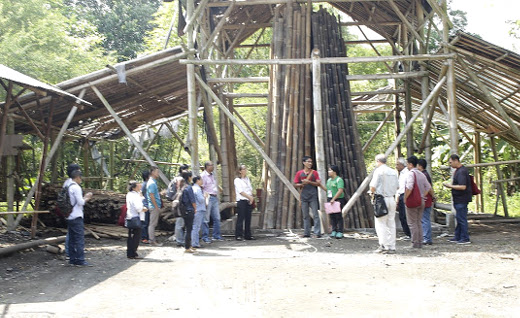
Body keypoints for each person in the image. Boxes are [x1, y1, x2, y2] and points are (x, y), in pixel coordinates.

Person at [369, 154, 399, 254]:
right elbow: (397, 186)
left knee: (380, 223)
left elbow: (372, 186)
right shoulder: (393, 172)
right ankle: (392, 245)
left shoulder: (379, 171)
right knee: (391, 222)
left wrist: (372, 193)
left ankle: (383, 245)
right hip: (392, 198)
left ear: (378, 161)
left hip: (381, 199)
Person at [404, 156, 433, 249]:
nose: (407, 166)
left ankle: (415, 242)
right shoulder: (421, 174)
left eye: (407, 164)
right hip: (421, 200)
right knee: (419, 222)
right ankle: (420, 241)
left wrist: (405, 197)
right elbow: (428, 187)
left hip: (413, 200)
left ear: (410, 164)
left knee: (412, 222)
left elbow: (409, 187)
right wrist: (423, 195)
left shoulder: (410, 174)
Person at [443, 154, 472, 245]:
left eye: (451, 162)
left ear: (456, 160)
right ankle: (458, 236)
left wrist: (450, 186)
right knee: (459, 218)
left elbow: (463, 186)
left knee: (462, 218)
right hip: (458, 199)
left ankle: (465, 238)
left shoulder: (462, 172)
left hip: (462, 199)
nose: (450, 164)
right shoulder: (458, 171)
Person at [294, 156, 326, 238]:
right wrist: (301, 184)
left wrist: (309, 181)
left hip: (313, 196)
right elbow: (295, 184)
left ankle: (317, 233)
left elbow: (318, 183)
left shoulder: (314, 173)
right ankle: (306, 233)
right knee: (305, 215)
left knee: (315, 214)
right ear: (304, 162)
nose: (310, 163)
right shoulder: (299, 173)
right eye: (308, 161)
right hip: (304, 196)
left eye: (311, 162)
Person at [67, 170, 93, 266]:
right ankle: (80, 260)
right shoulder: (76, 187)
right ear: (78, 177)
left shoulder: (68, 186)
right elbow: (80, 202)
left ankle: (72, 259)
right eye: (80, 178)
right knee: (79, 239)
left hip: (69, 215)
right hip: (76, 215)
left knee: (72, 239)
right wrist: (87, 197)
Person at [201, 161, 223, 243]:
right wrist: (204, 198)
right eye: (211, 165)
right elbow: (201, 187)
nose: (213, 166)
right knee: (206, 218)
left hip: (214, 197)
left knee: (217, 218)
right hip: (208, 197)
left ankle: (216, 235)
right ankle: (205, 236)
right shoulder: (203, 175)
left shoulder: (212, 175)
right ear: (207, 166)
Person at [126, 180, 147, 259]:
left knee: (131, 236)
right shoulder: (134, 196)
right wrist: (144, 209)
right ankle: (132, 252)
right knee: (136, 236)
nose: (140, 186)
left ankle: (131, 252)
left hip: (130, 216)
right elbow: (138, 207)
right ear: (134, 187)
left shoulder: (130, 194)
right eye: (138, 185)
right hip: (136, 217)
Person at [63, 163, 81, 258]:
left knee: (71, 232)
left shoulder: (66, 182)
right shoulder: (72, 184)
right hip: (73, 213)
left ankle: (70, 252)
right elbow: (80, 201)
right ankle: (70, 253)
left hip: (68, 211)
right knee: (72, 234)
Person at [234, 165, 255, 241]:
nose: (245, 170)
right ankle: (238, 235)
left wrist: (251, 197)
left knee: (248, 218)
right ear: (240, 171)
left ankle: (247, 234)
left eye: (246, 169)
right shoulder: (237, 180)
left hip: (248, 200)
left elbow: (250, 189)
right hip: (241, 200)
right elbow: (241, 191)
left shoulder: (247, 179)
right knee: (241, 218)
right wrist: (249, 197)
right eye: (243, 169)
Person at [171, 164, 189, 247]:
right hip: (180, 205)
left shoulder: (182, 181)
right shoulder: (180, 180)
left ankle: (181, 240)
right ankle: (179, 240)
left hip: (179, 204)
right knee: (179, 223)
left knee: (181, 223)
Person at [418, 159, 435, 245]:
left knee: (425, 219)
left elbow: (428, 188)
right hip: (427, 199)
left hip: (426, 200)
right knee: (424, 218)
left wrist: (423, 196)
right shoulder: (425, 174)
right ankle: (425, 237)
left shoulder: (424, 175)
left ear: (420, 166)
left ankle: (427, 238)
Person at [326, 165, 345, 239]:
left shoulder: (339, 180)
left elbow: (340, 190)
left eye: (330, 170)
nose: (328, 172)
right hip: (330, 199)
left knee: (338, 216)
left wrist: (334, 199)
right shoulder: (329, 180)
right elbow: (328, 190)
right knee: (332, 216)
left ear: (334, 172)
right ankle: (334, 230)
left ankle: (340, 231)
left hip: (338, 200)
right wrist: (320, 185)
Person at [181, 171, 197, 253]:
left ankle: (188, 245)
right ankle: (187, 247)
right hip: (189, 209)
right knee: (189, 229)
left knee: (188, 228)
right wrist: (195, 208)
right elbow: (192, 200)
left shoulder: (183, 186)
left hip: (184, 210)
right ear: (189, 177)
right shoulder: (189, 187)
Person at [395, 157, 411, 240]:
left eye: (397, 164)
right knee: (401, 216)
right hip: (401, 195)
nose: (396, 166)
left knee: (405, 215)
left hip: (405, 194)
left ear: (402, 165)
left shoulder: (407, 173)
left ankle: (410, 233)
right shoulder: (401, 173)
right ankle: (407, 233)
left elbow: (407, 186)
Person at [146, 166, 163, 246]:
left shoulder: (152, 182)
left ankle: (152, 240)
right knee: (152, 224)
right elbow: (151, 195)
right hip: (154, 206)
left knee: (153, 223)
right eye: (157, 172)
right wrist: (156, 206)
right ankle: (152, 240)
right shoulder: (152, 183)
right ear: (152, 172)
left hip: (153, 205)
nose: (158, 173)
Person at [191, 176, 207, 248]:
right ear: (198, 180)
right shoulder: (198, 189)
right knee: (196, 227)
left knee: (194, 226)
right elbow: (200, 199)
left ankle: (194, 242)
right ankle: (195, 243)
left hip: (194, 209)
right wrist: (205, 196)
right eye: (201, 180)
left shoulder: (192, 188)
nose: (202, 181)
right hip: (199, 209)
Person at [140, 170, 150, 244]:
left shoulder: (147, 184)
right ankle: (144, 237)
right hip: (145, 205)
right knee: (145, 222)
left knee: (148, 222)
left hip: (148, 205)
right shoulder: (144, 185)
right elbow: (141, 194)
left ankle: (147, 237)